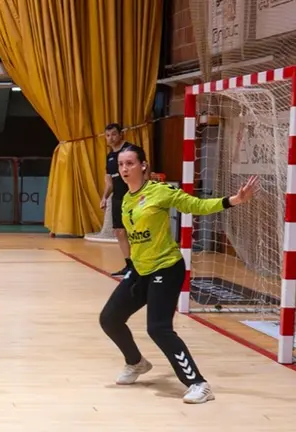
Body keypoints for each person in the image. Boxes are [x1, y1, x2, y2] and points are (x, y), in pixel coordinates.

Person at [98, 144, 257, 404]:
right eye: (121, 165)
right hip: (141, 270)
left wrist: (233, 201)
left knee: (158, 329)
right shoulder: (126, 199)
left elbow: (196, 205)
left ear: (143, 165)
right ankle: (136, 363)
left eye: (130, 163)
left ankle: (198, 384)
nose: (124, 169)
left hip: (166, 268)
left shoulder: (159, 192)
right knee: (109, 319)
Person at [100, 123, 140, 277]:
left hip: (132, 195)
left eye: (114, 134)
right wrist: (104, 197)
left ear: (121, 134)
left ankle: (140, 264)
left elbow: (145, 169)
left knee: (135, 230)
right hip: (117, 197)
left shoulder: (131, 150)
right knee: (119, 231)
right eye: (108, 135)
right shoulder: (110, 157)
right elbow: (109, 182)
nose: (111, 138)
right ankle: (129, 265)